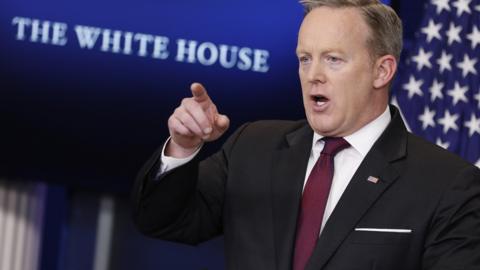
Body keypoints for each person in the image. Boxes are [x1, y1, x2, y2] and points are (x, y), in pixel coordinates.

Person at [132, 0, 480, 269]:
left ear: (382, 70)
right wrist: (183, 146)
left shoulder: (447, 185)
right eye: (304, 59)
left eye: (332, 59)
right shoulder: (254, 147)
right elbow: (163, 221)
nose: (313, 74)